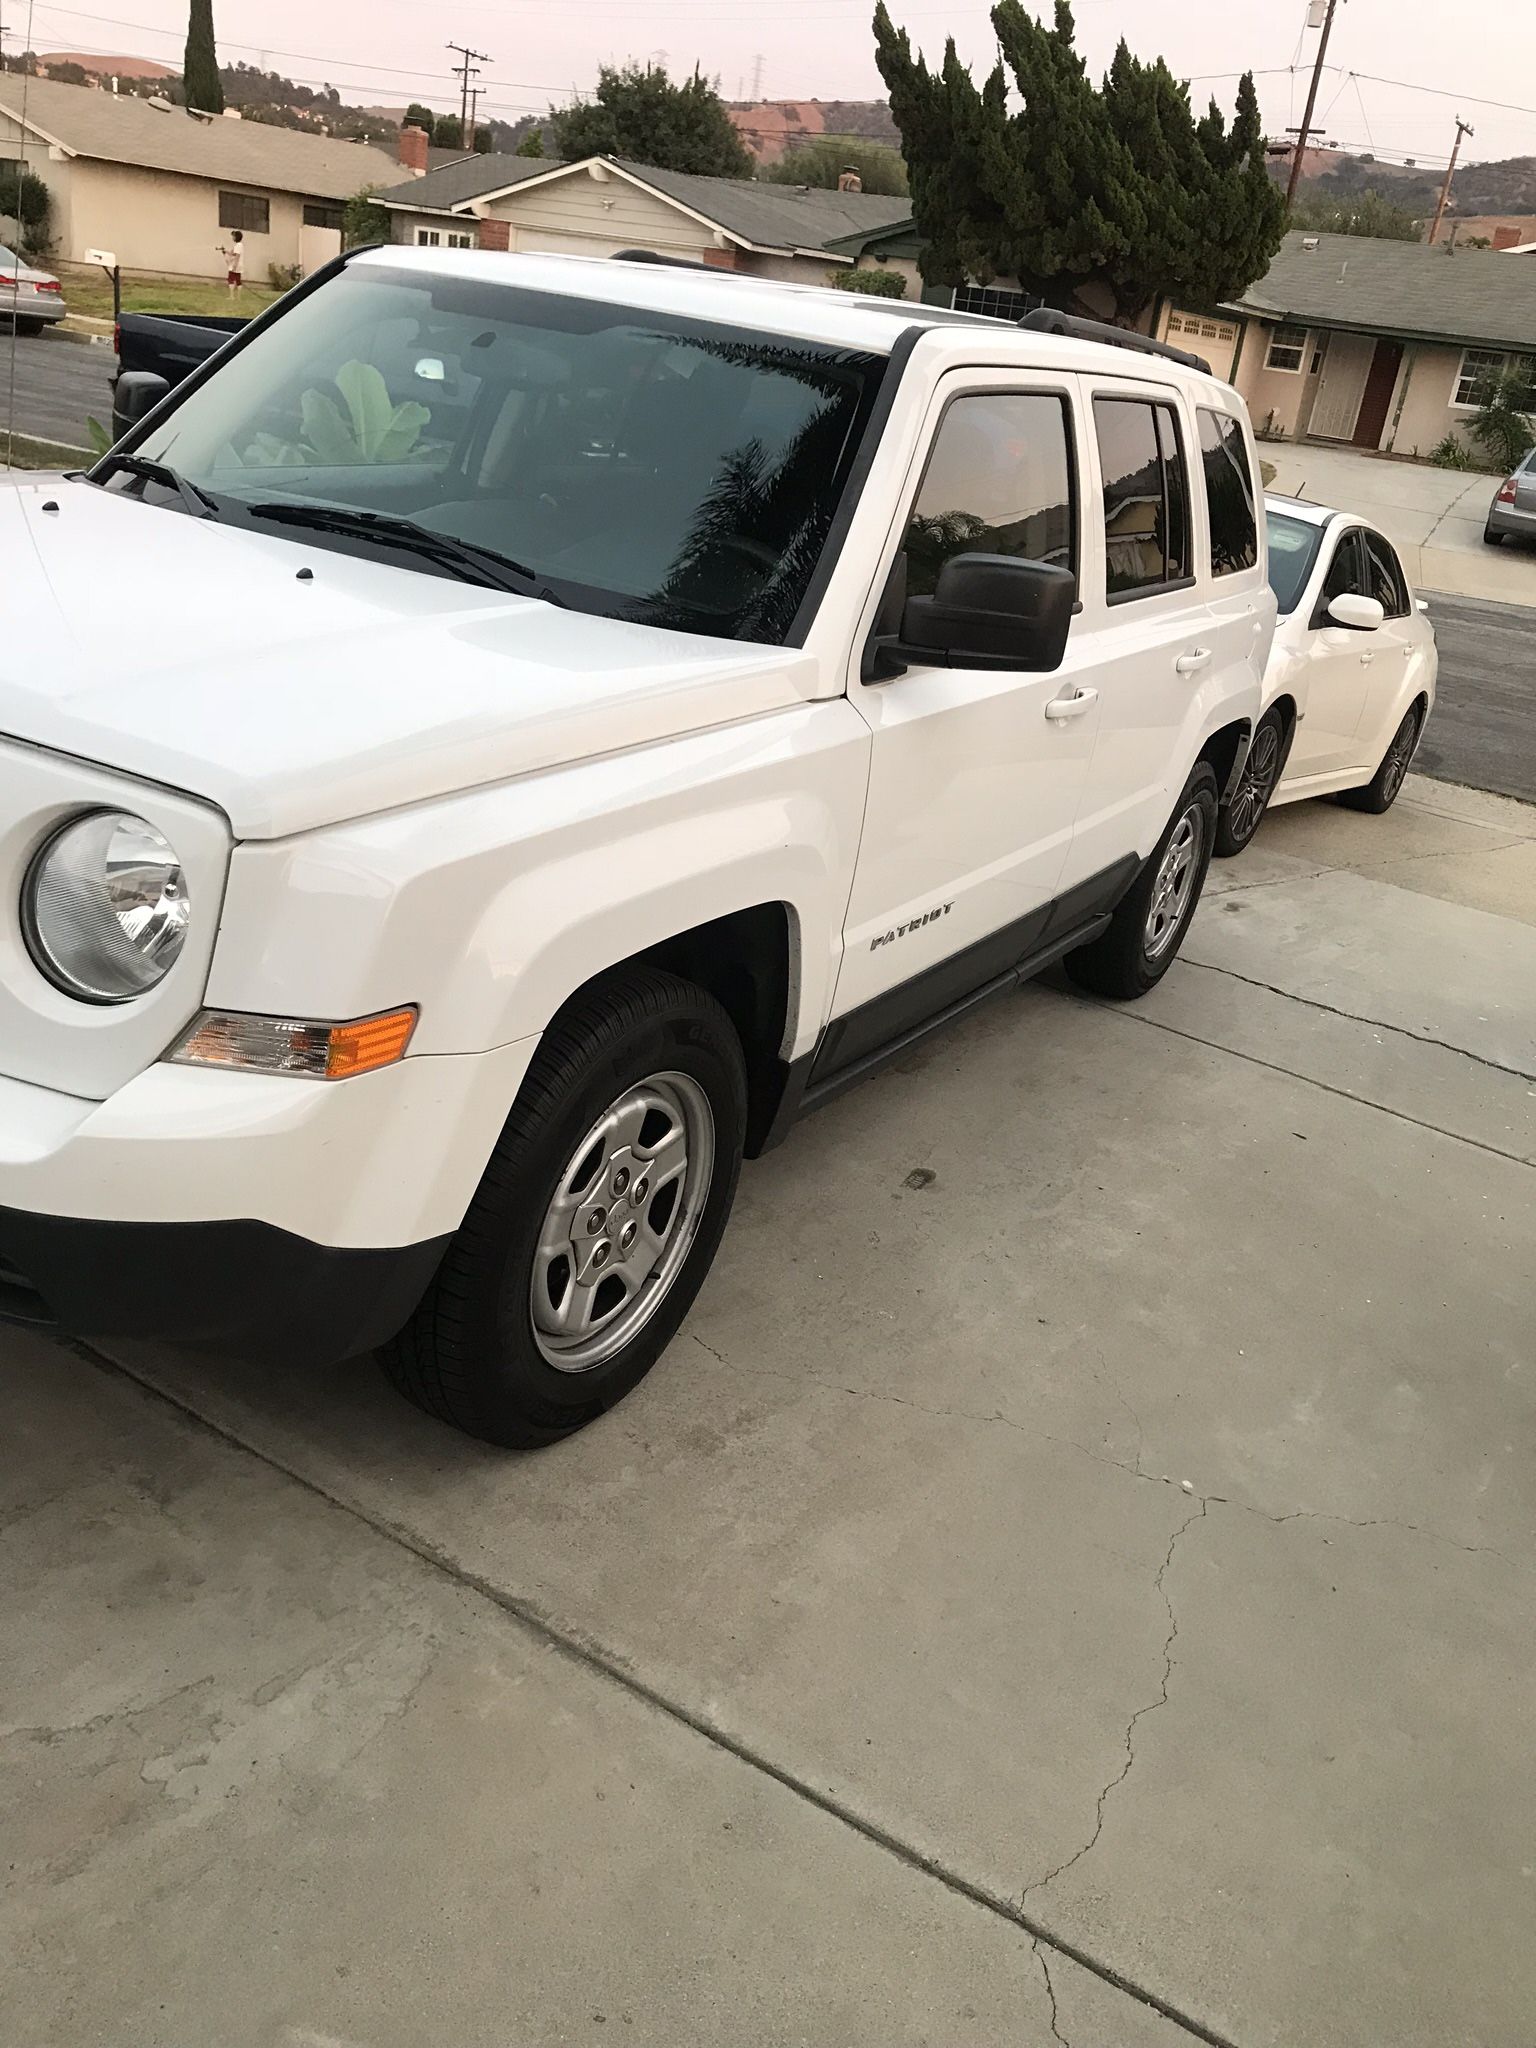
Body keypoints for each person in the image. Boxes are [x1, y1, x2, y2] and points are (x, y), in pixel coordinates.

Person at [219, 229, 244, 297]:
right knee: (238, 280)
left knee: (231, 279)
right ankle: (239, 297)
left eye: (233, 236)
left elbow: (237, 256)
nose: (232, 237)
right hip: (239, 266)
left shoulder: (238, 245)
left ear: (236, 237)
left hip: (235, 265)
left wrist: (234, 266)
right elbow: (231, 253)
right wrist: (224, 251)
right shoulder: (238, 245)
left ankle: (232, 296)